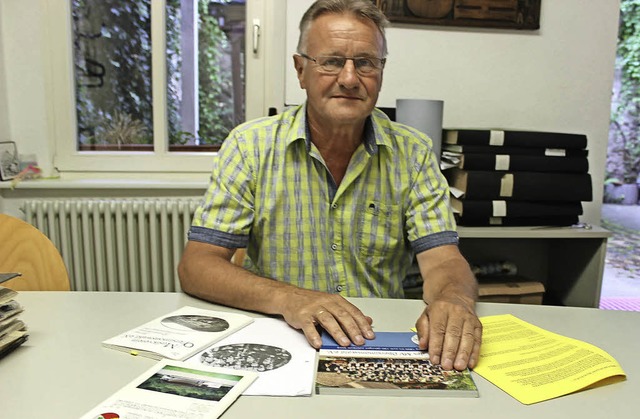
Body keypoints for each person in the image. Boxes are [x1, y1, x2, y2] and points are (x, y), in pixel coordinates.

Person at [178, 0, 482, 371]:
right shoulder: (250, 146)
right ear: (300, 69)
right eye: (332, 61)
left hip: (377, 341)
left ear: (381, 72)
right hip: (280, 334)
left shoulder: (414, 153)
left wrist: (455, 301)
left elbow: (444, 262)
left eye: (366, 62)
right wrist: (290, 298)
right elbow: (197, 265)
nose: (350, 79)